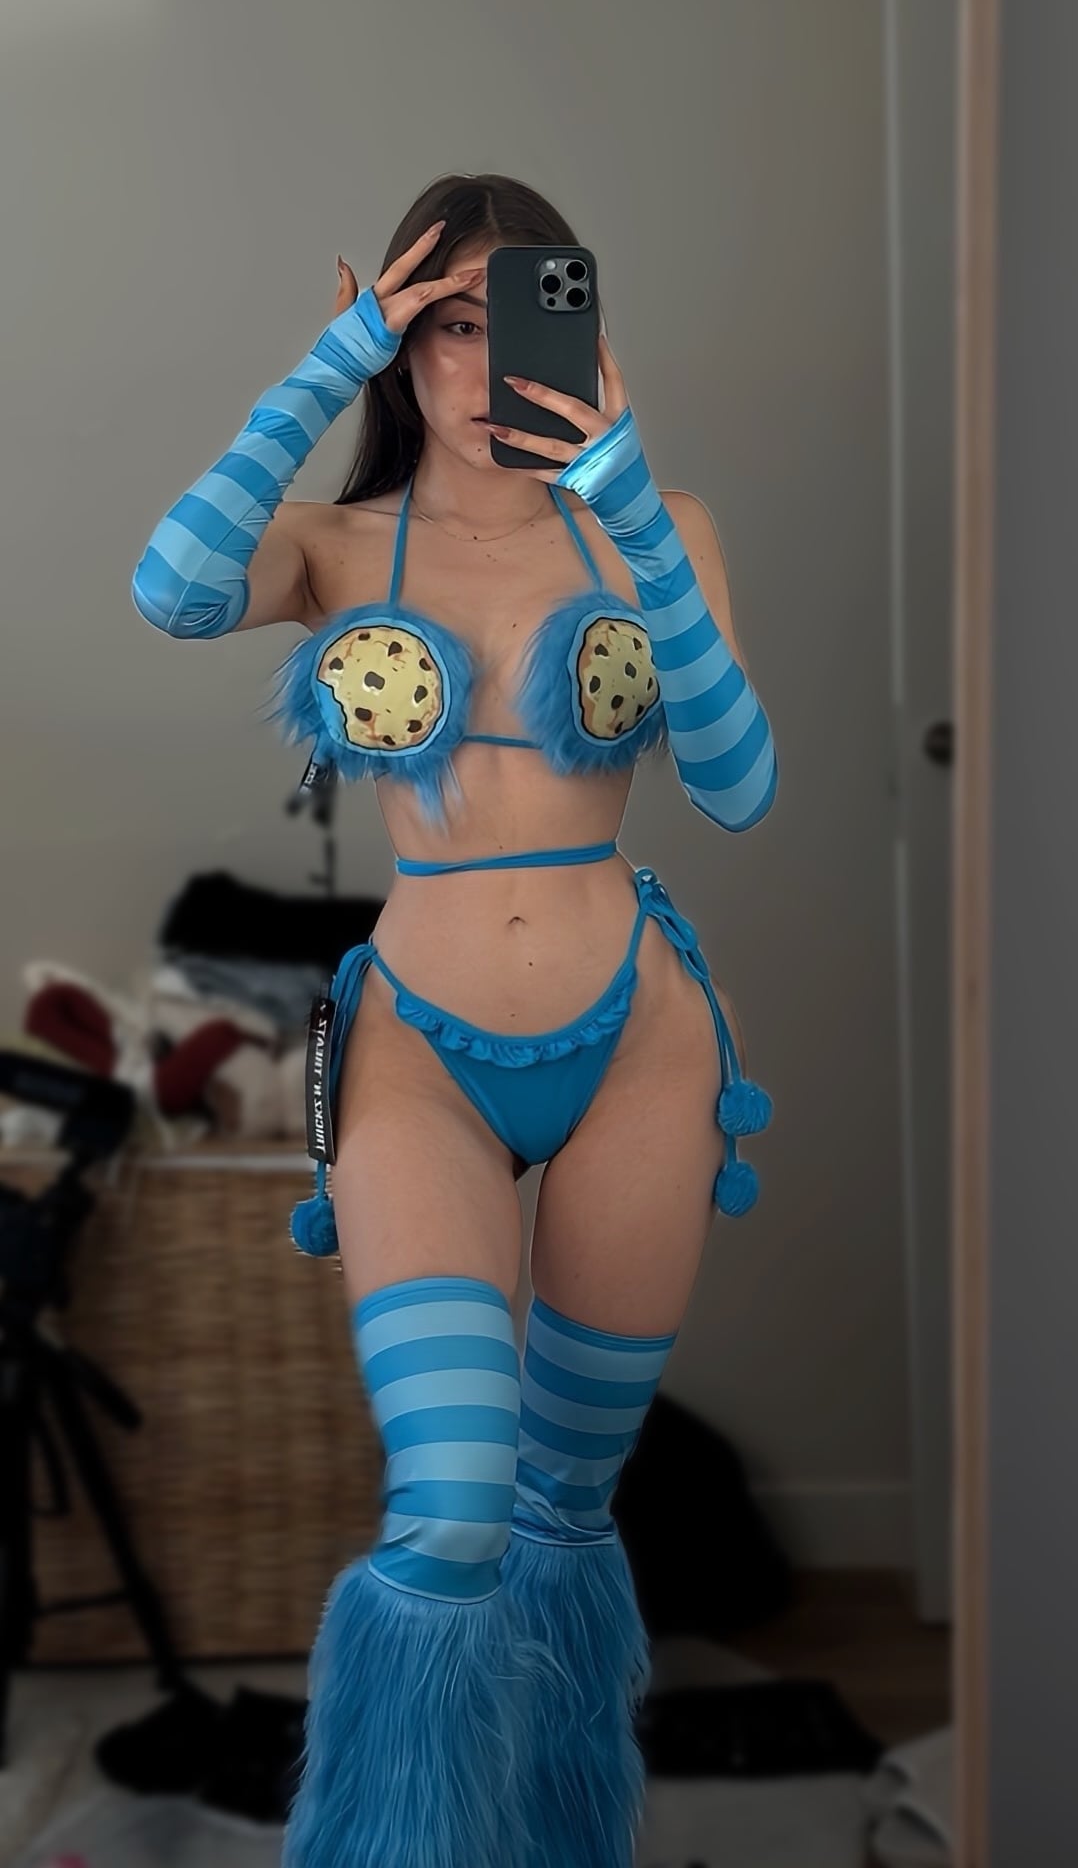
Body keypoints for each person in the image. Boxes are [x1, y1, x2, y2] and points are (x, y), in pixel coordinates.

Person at [130, 172, 777, 1868]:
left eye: (524, 320)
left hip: (637, 1046)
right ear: (397, 351)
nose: (488, 367)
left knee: (562, 1507)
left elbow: (737, 782)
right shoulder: (337, 548)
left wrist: (626, 499)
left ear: (587, 326)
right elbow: (170, 587)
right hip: (419, 1045)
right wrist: (322, 357)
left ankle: (554, 1843)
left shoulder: (660, 526)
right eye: (447, 326)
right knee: (453, 1508)